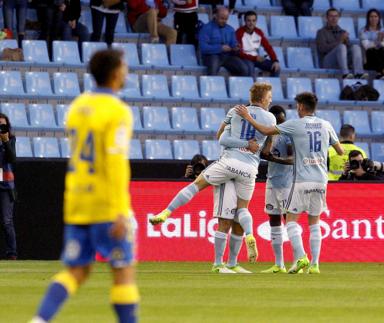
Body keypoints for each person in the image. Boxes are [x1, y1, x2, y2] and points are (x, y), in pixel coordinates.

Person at [31, 49, 139, 322]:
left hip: (78, 202)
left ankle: (39, 320)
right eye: (124, 67)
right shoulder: (118, 111)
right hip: (106, 204)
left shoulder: (77, 106)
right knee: (123, 272)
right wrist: (120, 210)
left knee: (76, 271)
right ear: (116, 73)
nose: (126, 72)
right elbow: (114, 164)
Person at [149, 83, 277, 266]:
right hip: (250, 169)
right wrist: (251, 145)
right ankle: (250, 235)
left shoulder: (235, 111)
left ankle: (166, 212)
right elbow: (266, 147)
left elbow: (220, 137)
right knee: (243, 209)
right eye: (270, 97)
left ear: (251, 97)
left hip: (229, 162)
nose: (270, 100)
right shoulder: (271, 118)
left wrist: (239, 138)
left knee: (195, 186)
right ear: (264, 98)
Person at [236, 92, 345, 274]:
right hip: (321, 181)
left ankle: (301, 256)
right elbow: (340, 151)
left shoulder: (295, 125)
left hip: (301, 180)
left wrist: (247, 116)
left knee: (291, 221)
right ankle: (315, 265)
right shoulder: (326, 125)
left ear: (301, 107)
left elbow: (265, 131)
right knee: (314, 223)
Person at [259, 105, 293, 273]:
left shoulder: (289, 136)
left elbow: (293, 159)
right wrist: (270, 138)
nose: (280, 124)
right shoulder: (270, 135)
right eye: (277, 121)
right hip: (272, 182)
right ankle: (279, 264)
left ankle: (299, 260)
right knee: (274, 222)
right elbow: (264, 154)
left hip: (287, 184)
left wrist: (273, 158)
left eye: (281, 120)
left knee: (290, 222)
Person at [316, 8, 367, 79]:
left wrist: (347, 42)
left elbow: (349, 49)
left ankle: (359, 73)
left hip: (343, 60)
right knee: (341, 47)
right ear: (327, 18)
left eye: (336, 16)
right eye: (331, 16)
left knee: (355, 47)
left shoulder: (343, 32)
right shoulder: (321, 32)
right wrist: (340, 41)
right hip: (328, 61)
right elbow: (322, 49)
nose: (334, 19)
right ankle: (345, 73)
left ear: (338, 18)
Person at [199, 6, 249, 76]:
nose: (224, 21)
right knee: (213, 69)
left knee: (244, 69)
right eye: (222, 18)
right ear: (215, 16)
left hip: (227, 56)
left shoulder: (230, 29)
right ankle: (211, 86)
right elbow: (203, 48)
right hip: (211, 56)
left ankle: (236, 85)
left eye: (226, 19)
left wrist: (236, 47)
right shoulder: (206, 28)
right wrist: (220, 48)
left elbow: (234, 44)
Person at [236, 11, 281, 77]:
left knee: (276, 68)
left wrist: (275, 60)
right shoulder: (239, 33)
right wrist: (255, 58)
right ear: (245, 21)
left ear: (256, 21)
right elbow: (240, 53)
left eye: (253, 21)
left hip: (255, 58)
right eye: (249, 20)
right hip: (244, 58)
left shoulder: (258, 32)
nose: (251, 23)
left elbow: (268, 47)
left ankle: (271, 86)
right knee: (250, 70)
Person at [360, 9, 384, 80]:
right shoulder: (363, 30)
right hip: (369, 58)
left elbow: (383, 45)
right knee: (371, 51)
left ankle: (380, 73)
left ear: (379, 18)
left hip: (381, 56)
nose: (373, 19)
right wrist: (377, 40)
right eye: (371, 16)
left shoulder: (383, 30)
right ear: (368, 18)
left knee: (383, 50)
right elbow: (366, 46)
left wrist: (378, 41)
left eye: (375, 16)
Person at [0, 113, 17, 260]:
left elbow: (12, 159)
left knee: (7, 221)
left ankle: (12, 253)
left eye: (3, 126)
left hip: (6, 186)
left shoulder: (11, 139)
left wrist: (5, 142)